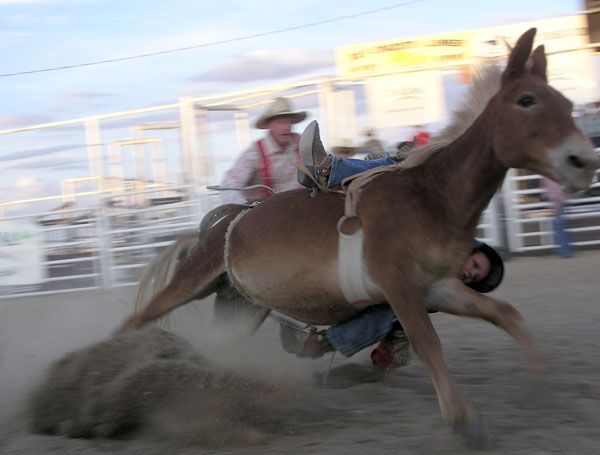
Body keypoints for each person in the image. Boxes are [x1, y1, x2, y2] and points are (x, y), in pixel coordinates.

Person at [280, 240, 505, 369]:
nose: (469, 273)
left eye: (475, 276)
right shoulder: (440, 246)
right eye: (473, 265)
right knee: (399, 304)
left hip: (387, 292)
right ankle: (324, 342)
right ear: (468, 252)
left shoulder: (447, 285)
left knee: (401, 334)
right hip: (377, 261)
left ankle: (342, 346)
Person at [219, 97, 308, 204]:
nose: (286, 127)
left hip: (299, 210)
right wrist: (249, 210)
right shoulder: (254, 154)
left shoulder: (304, 144)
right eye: (280, 122)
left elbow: (326, 167)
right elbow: (228, 188)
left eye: (289, 122)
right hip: (266, 216)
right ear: (268, 125)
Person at [542, 177, 573, 258]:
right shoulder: (548, 174)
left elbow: (555, 192)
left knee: (559, 228)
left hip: (557, 203)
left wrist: (555, 205)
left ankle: (564, 252)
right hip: (558, 202)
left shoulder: (548, 174)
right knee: (561, 228)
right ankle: (566, 251)